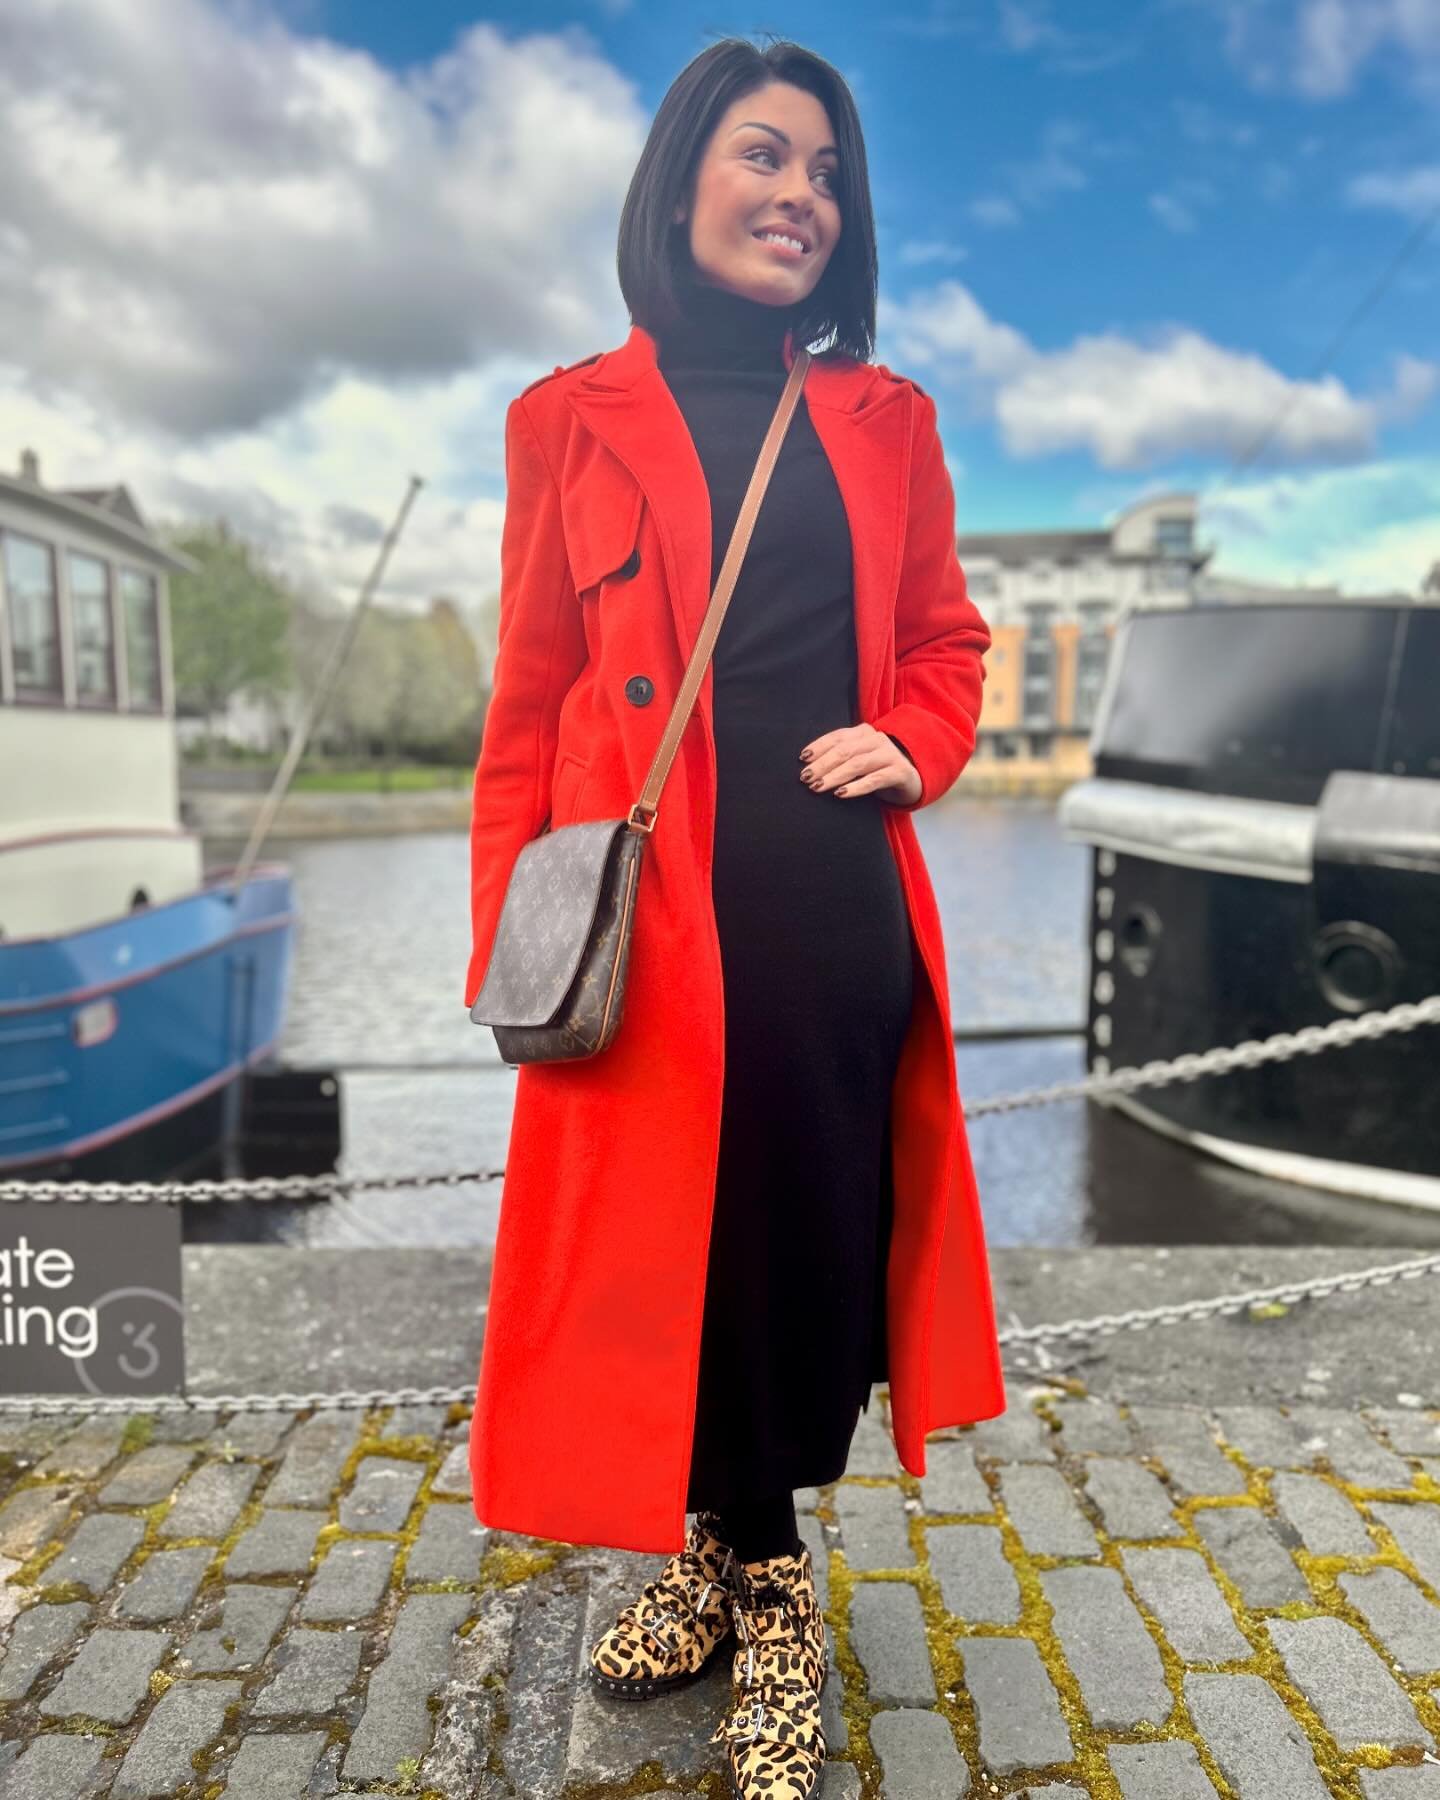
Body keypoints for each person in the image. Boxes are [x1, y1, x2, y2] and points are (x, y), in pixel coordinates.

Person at [464, 36, 1006, 1800]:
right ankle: (717, 1552)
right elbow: (529, 703)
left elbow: (946, 642)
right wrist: (511, 951)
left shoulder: (888, 421)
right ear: (682, 177)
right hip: (648, 937)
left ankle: (761, 1585)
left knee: (792, 1251)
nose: (800, 195)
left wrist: (912, 741)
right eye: (766, 156)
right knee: (663, 1267)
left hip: (823, 917)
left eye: (829, 173)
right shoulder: (564, 421)